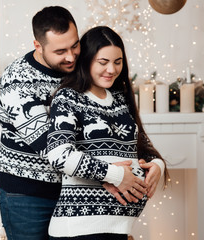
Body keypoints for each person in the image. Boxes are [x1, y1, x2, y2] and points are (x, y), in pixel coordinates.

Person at [47, 26, 168, 240]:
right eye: (103, 62)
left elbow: (142, 147)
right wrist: (116, 175)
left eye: (118, 62)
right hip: (80, 230)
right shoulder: (68, 98)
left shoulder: (121, 99)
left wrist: (158, 165)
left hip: (118, 229)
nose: (111, 69)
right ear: (86, 60)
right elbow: (59, 155)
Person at [0, 6, 81, 240]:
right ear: (38, 46)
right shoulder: (17, 80)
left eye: (75, 45)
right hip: (27, 196)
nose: (71, 56)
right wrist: (111, 175)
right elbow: (50, 147)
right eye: (61, 50)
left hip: (75, 190)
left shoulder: (78, 69)